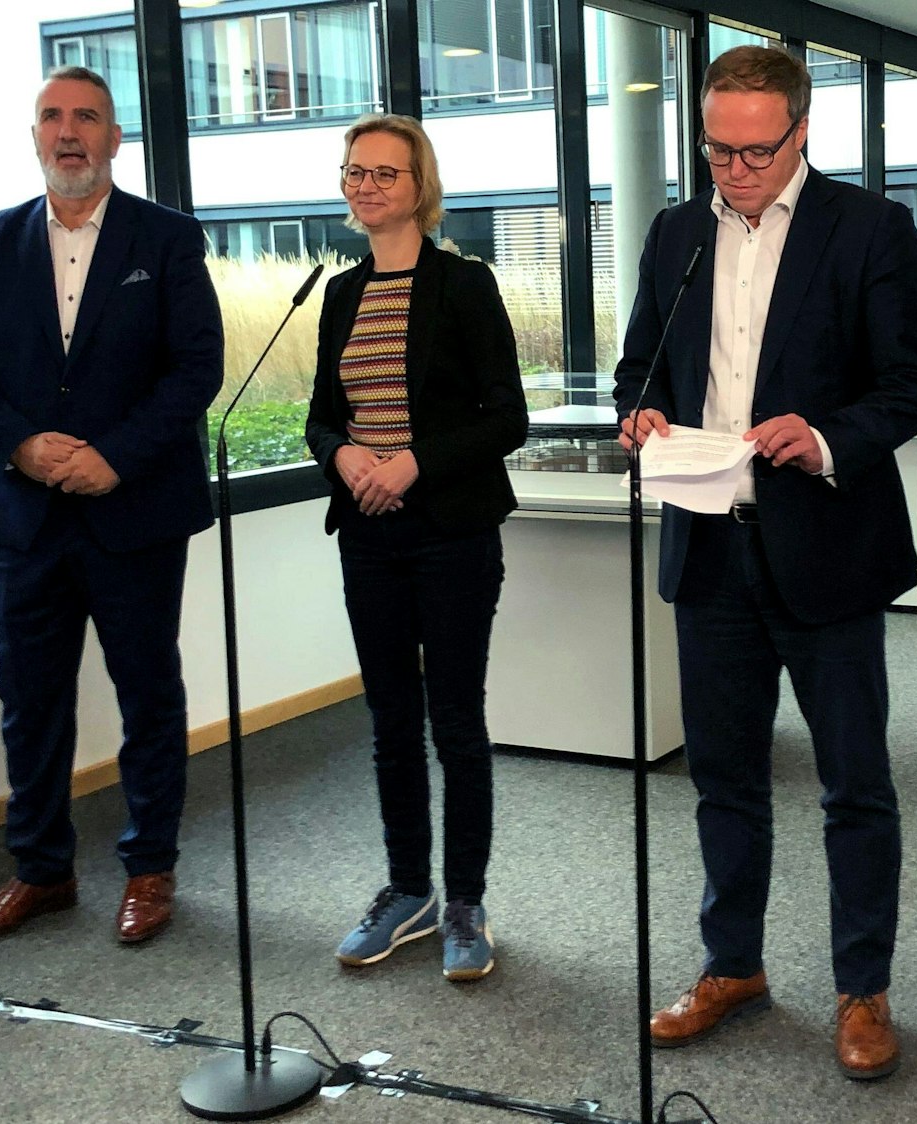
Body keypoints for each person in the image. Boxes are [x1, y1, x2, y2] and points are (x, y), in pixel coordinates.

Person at [612, 46, 917, 1080]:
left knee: (854, 782)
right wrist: (642, 412)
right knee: (723, 777)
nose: (738, 169)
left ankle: (862, 988)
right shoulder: (674, 232)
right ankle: (733, 964)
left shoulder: (871, 229)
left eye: (759, 149)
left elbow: (914, 382)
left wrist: (829, 433)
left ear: (804, 132)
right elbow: (639, 365)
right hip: (707, 546)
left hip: (826, 547)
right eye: (719, 149)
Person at [0, 66, 223, 946]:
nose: (68, 132)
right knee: (29, 700)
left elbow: (194, 369)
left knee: (146, 695)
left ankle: (149, 870)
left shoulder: (165, 239)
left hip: (130, 512)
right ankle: (41, 871)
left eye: (86, 117)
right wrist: (20, 445)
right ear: (33, 138)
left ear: (113, 138)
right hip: (22, 519)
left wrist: (114, 459)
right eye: (52, 117)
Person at [304, 114, 528, 983]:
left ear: (419, 188)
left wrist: (410, 465)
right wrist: (345, 454)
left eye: (384, 174)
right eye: (354, 172)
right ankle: (408, 891)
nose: (365, 187)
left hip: (451, 535)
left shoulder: (465, 286)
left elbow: (506, 417)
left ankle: (465, 899)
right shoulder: (339, 293)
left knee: (456, 722)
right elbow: (323, 415)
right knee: (390, 723)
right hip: (367, 537)